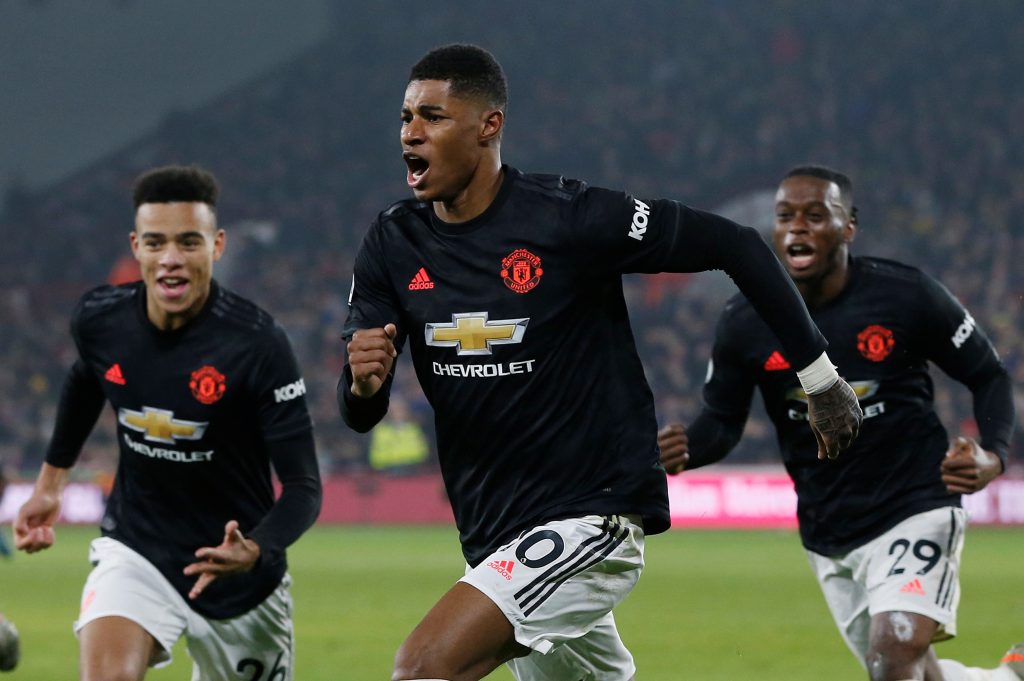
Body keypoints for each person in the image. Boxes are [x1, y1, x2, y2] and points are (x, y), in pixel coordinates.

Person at [339, 44, 863, 681]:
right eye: (404, 118)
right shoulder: (393, 242)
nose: (410, 134)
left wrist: (822, 380)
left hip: (591, 514)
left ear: (489, 125)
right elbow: (359, 412)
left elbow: (736, 244)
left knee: (424, 666)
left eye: (432, 117)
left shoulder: (568, 217)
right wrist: (364, 381)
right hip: (492, 531)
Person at [658, 165, 1019, 681]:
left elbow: (989, 376)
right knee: (909, 672)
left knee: (893, 654)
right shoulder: (744, 320)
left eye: (815, 215)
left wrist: (994, 453)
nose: (797, 228)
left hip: (916, 501)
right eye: (785, 216)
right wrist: (690, 448)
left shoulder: (907, 296)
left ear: (848, 226)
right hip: (828, 528)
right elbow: (722, 419)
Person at [14, 165, 322, 680]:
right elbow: (86, 380)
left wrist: (258, 547)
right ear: (136, 246)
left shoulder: (258, 345)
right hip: (138, 547)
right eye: (156, 243)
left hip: (239, 574)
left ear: (217, 245)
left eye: (188, 242)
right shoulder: (100, 320)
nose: (171, 260)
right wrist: (50, 486)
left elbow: (304, 486)